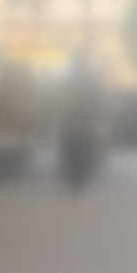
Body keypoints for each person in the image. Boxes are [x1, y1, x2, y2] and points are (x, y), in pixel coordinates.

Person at [57, 58, 106, 191]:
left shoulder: (68, 81)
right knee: (81, 151)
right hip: (83, 124)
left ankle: (75, 178)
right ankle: (77, 178)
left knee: (72, 151)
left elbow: (60, 99)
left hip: (72, 124)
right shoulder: (92, 81)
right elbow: (98, 101)